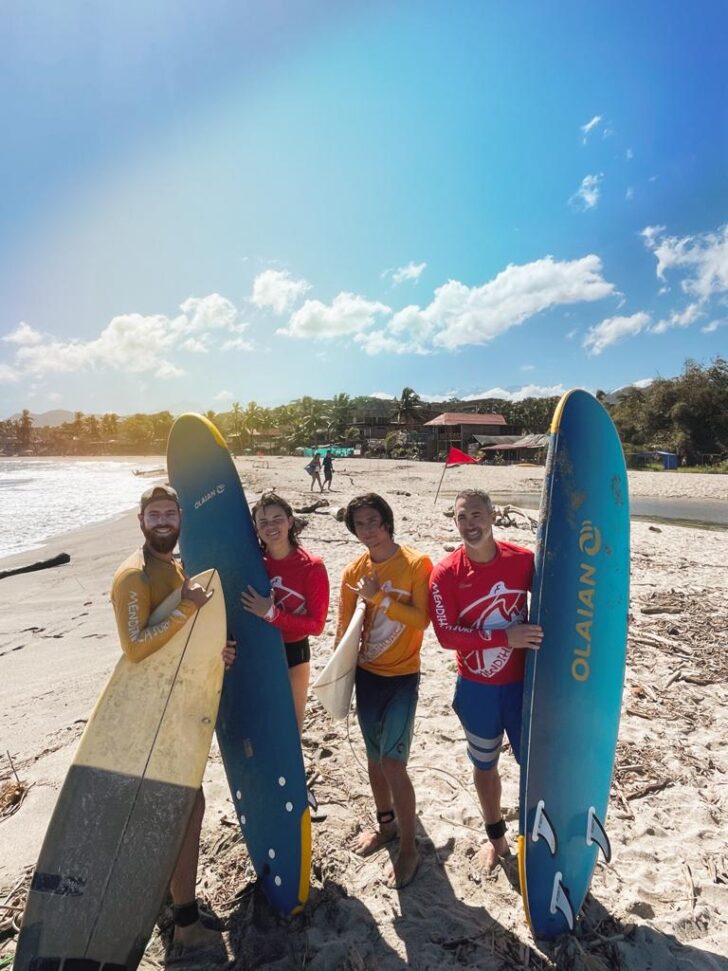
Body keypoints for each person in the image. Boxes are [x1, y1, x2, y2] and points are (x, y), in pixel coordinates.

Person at [111, 484, 236, 958]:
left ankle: (173, 901)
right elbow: (137, 648)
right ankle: (184, 923)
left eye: (169, 513)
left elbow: (182, 638)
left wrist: (216, 651)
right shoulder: (135, 576)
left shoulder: (173, 566)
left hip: (176, 701)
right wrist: (188, 607)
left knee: (183, 805)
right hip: (152, 711)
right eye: (154, 515)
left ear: (180, 517)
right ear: (141, 521)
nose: (163, 521)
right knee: (185, 807)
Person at [428, 489, 542, 872]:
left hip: (525, 687)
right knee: (485, 765)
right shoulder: (445, 574)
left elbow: (558, 602)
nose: (469, 524)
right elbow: (446, 636)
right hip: (476, 689)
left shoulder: (522, 561)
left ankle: (538, 838)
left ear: (493, 516)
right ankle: (497, 840)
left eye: (476, 514)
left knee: (536, 767)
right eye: (461, 517)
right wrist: (504, 638)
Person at [337, 493, 433, 888]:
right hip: (367, 676)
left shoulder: (416, 564)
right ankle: (387, 825)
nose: (368, 529)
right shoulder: (353, 572)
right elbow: (344, 631)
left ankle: (409, 848)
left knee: (394, 764)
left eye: (373, 521)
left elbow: (422, 620)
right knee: (375, 760)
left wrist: (380, 598)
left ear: (387, 522)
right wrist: (339, 681)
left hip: (402, 676)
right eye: (360, 524)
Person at [240, 492, 330, 734]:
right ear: (256, 528)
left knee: (290, 729)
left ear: (290, 521)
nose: (271, 526)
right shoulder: (253, 564)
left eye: (277, 519)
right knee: (261, 726)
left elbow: (317, 625)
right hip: (256, 650)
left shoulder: (311, 566)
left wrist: (272, 614)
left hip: (293, 652)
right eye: (263, 522)